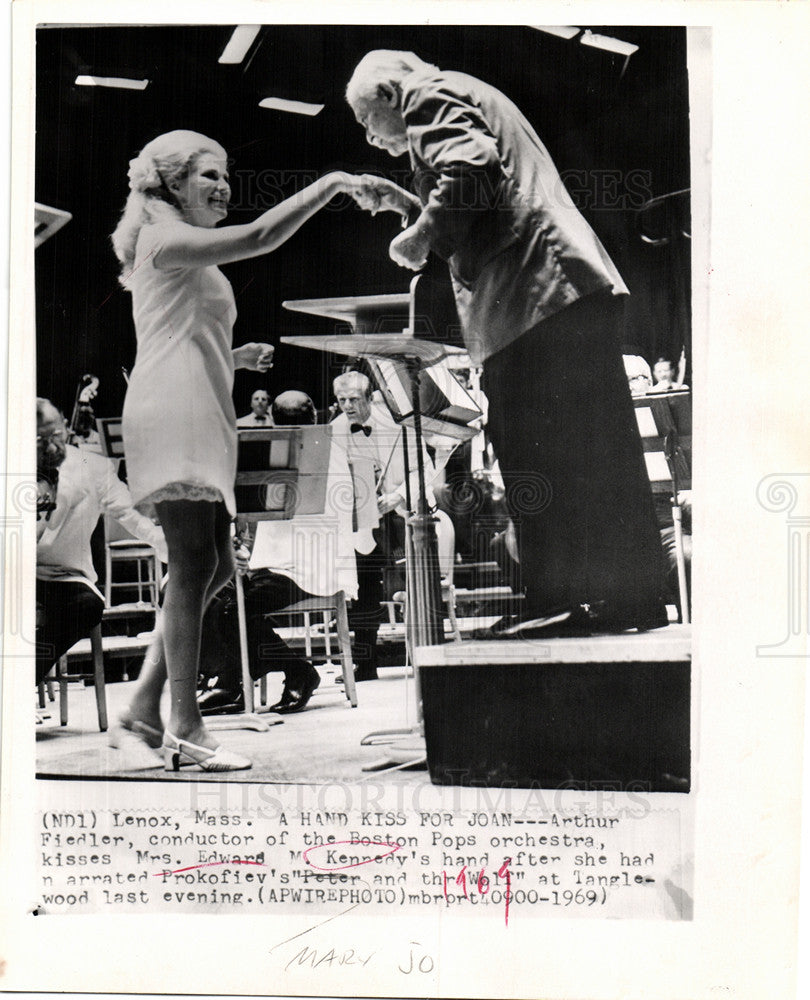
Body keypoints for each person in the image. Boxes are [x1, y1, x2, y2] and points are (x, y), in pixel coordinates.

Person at [346, 51, 666, 636]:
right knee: (600, 451)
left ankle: (559, 601)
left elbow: (470, 172)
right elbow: (486, 191)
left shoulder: (426, 95)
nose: (370, 139)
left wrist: (419, 237)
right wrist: (410, 208)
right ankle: (635, 597)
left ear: (390, 95)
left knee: (536, 453)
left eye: (367, 121)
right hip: (563, 287)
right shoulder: (466, 88)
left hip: (531, 298)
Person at [110, 130, 368, 770]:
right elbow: (259, 238)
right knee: (195, 562)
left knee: (217, 567)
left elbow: (177, 334)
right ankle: (184, 724)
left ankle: (144, 703)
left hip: (198, 408)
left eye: (226, 175)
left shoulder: (179, 246)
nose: (223, 186)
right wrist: (331, 184)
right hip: (176, 413)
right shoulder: (163, 236)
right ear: (171, 183)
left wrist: (233, 356)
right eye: (209, 175)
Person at [198, 390, 355, 714]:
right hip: (276, 562)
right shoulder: (286, 450)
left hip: (315, 563)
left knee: (232, 611)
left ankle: (295, 672)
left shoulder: (331, 452)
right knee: (212, 596)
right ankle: (233, 681)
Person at [35, 399, 167, 696]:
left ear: (66, 427)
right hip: (14, 573)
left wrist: (169, 546)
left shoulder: (91, 466)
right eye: (39, 440)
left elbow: (129, 514)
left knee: (87, 606)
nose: (51, 446)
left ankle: (18, 680)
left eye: (56, 435)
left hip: (63, 576)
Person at [330, 370, 435, 678]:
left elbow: (425, 470)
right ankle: (365, 663)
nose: (347, 406)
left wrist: (397, 494)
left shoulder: (398, 424)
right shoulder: (335, 430)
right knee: (364, 586)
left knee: (413, 584)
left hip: (403, 513)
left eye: (353, 400)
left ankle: (424, 658)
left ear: (369, 397)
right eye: (341, 400)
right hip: (363, 517)